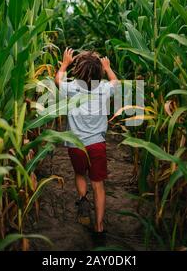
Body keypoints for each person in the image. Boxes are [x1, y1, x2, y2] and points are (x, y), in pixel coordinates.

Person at [54, 48, 118, 238]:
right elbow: (116, 82)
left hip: (76, 144)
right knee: (98, 184)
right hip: (97, 144)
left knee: (79, 173)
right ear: (99, 72)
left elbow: (58, 80)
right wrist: (108, 67)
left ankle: (82, 200)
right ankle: (99, 226)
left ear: (78, 71)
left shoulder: (71, 88)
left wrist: (65, 64)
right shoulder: (104, 88)